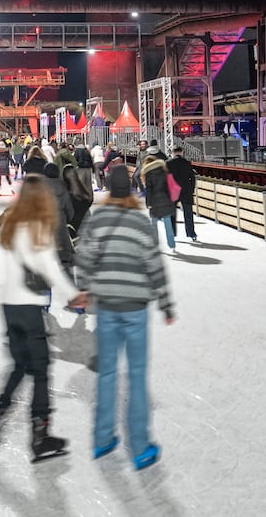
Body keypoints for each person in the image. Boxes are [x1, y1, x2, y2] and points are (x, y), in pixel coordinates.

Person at [75, 164, 175, 470]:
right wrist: (166, 303)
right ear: (130, 189)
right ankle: (141, 447)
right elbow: (154, 264)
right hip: (134, 307)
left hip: (107, 307)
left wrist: (85, 288)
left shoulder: (98, 219)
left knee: (107, 374)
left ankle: (103, 438)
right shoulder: (139, 222)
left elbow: (84, 256)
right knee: (136, 376)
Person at [0, 174, 84, 463]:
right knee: (40, 370)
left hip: (8, 305)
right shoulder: (36, 228)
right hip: (28, 308)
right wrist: (73, 295)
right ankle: (40, 436)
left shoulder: (9, 225)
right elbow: (50, 269)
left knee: (19, 366)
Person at [140, 148, 177, 251]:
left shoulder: (148, 174)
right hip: (166, 199)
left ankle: (155, 245)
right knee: (168, 223)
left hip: (155, 201)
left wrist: (148, 203)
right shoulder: (164, 171)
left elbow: (149, 190)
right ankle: (172, 245)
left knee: (154, 224)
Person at [167, 146, 199, 243]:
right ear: (182, 153)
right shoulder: (187, 163)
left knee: (172, 214)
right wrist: (192, 189)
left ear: (173, 153)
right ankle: (191, 234)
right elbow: (192, 178)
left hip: (173, 190)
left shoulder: (168, 163)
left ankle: (172, 233)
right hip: (186, 191)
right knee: (188, 213)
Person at [63, 148, 95, 237]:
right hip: (87, 169)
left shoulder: (77, 153)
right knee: (85, 185)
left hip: (80, 169)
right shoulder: (86, 151)